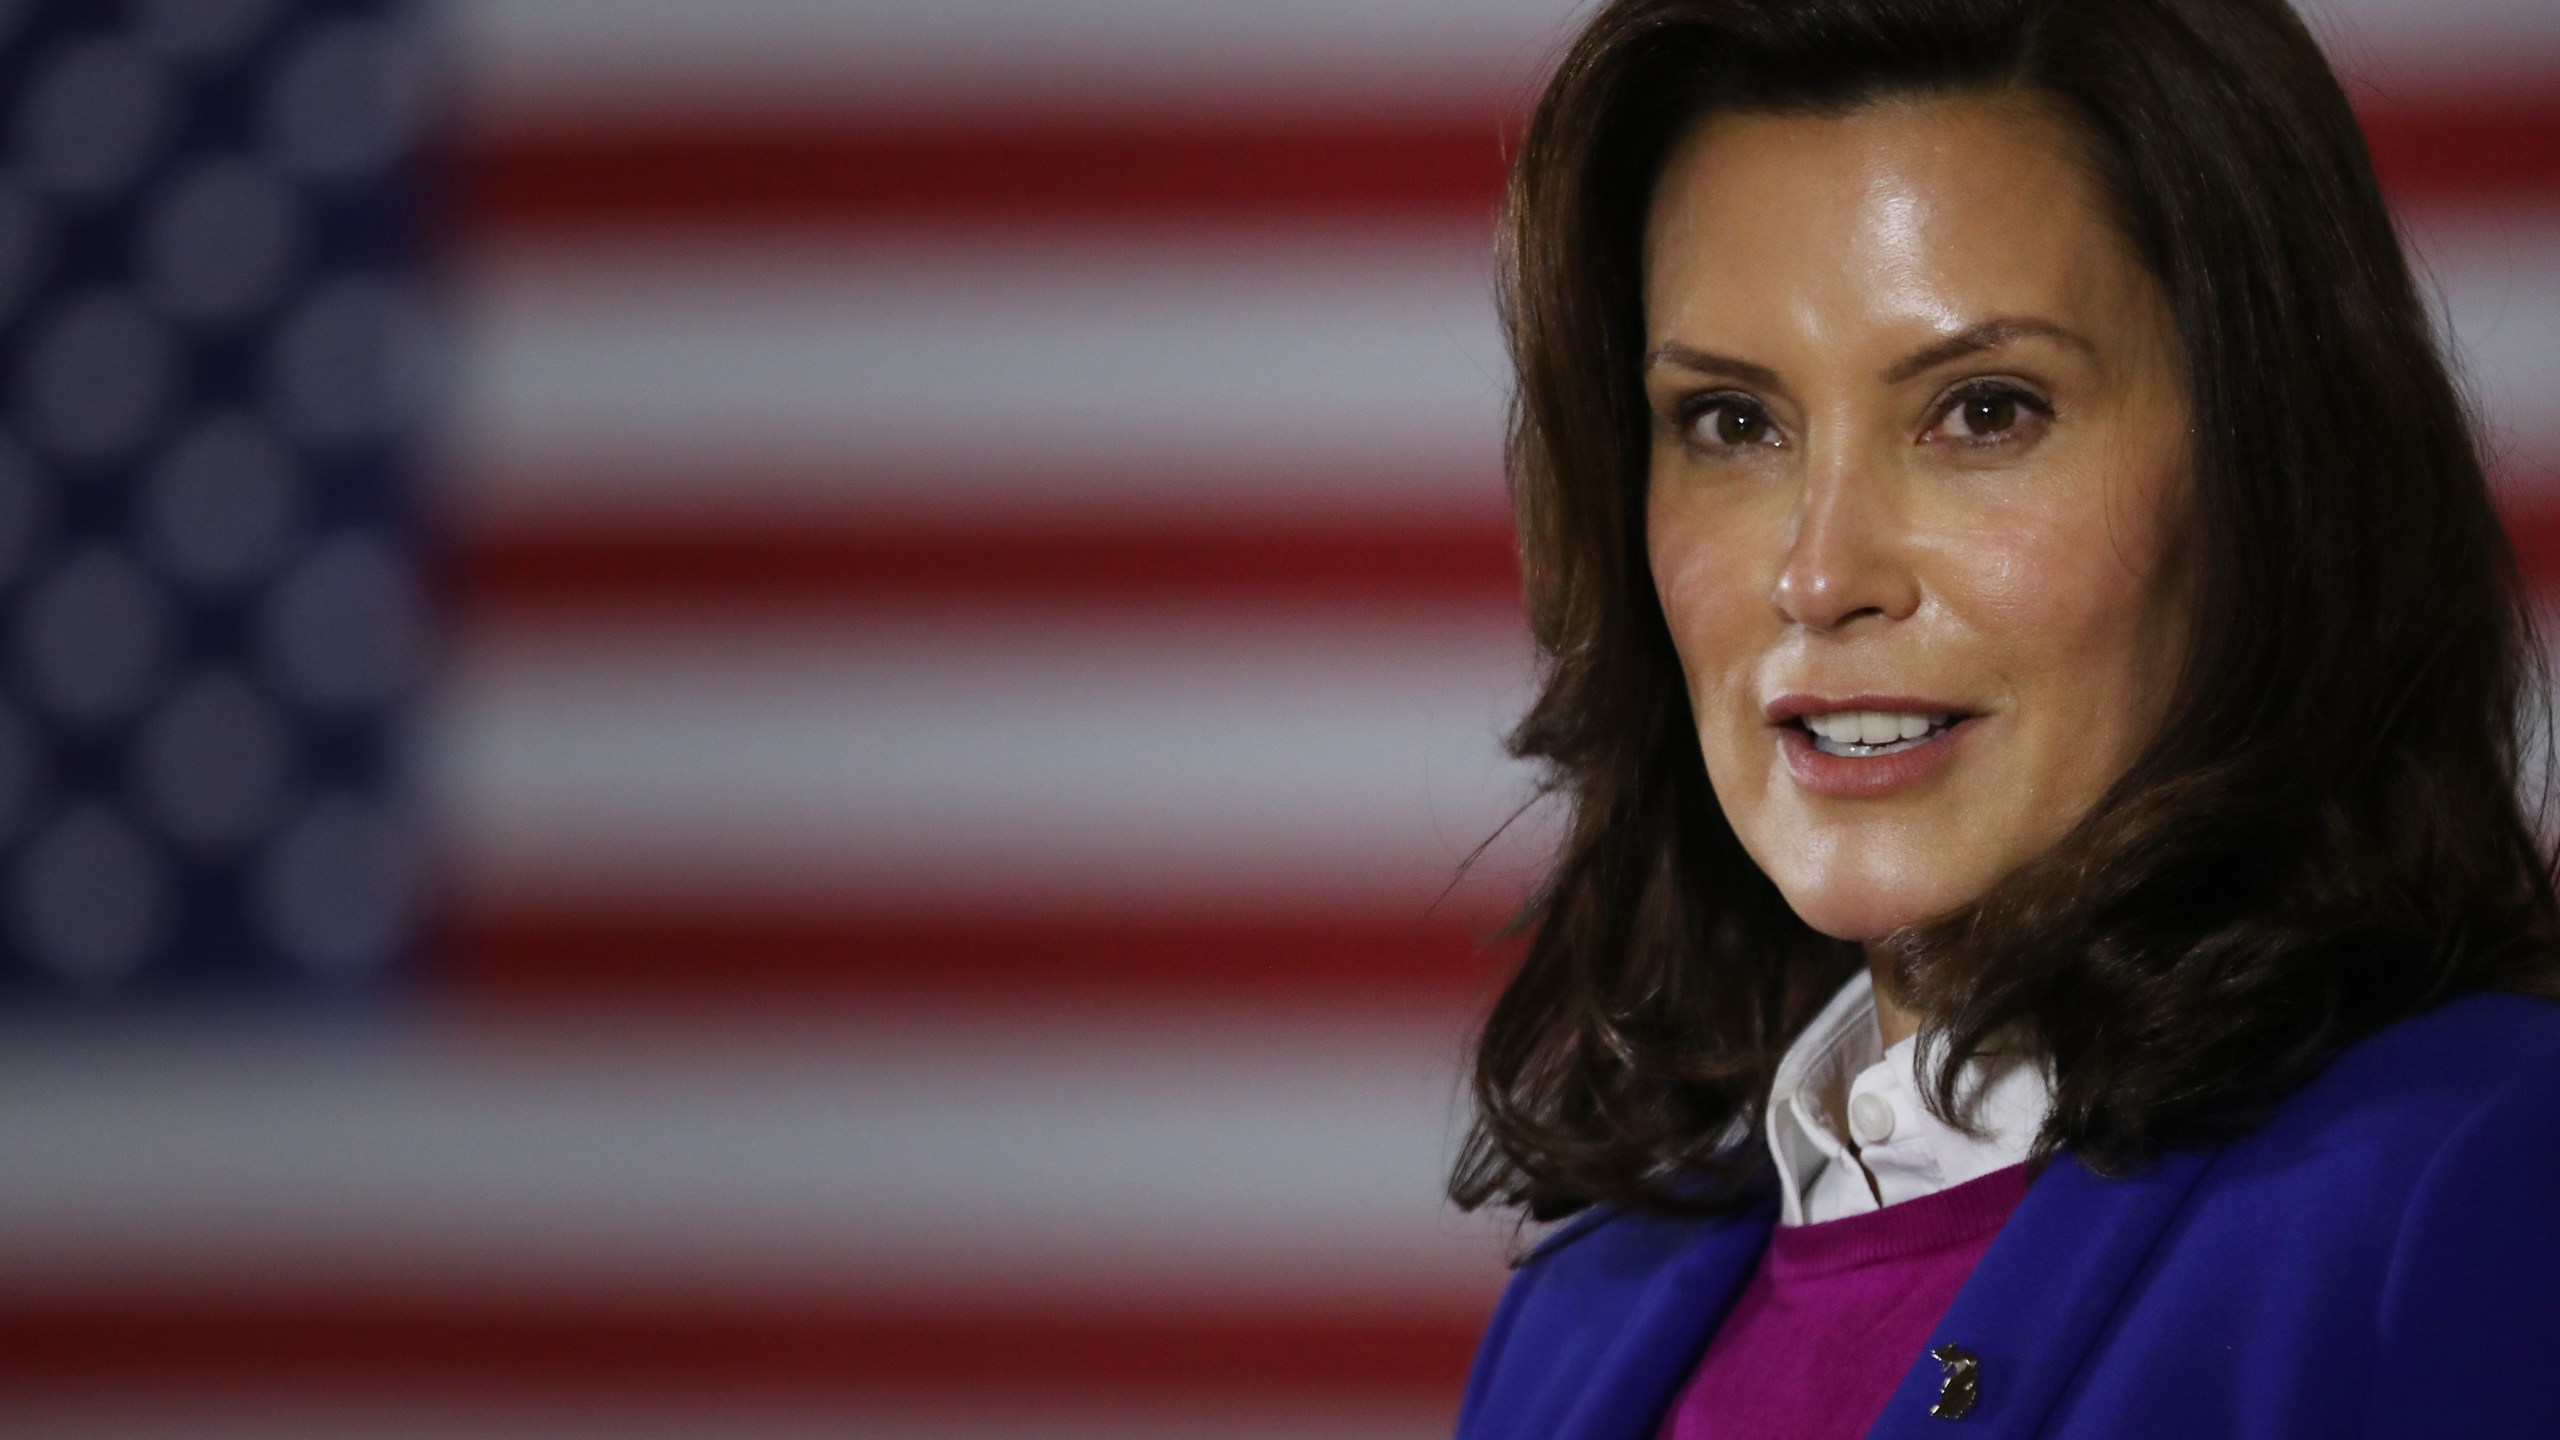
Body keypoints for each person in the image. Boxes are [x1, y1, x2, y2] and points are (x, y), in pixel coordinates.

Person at [1447, 1, 2560, 1436]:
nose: (1819, 573)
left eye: (1984, 411)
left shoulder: (2479, 1183)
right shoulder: (1573, 1316)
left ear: (2270, 475)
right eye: (1732, 422)